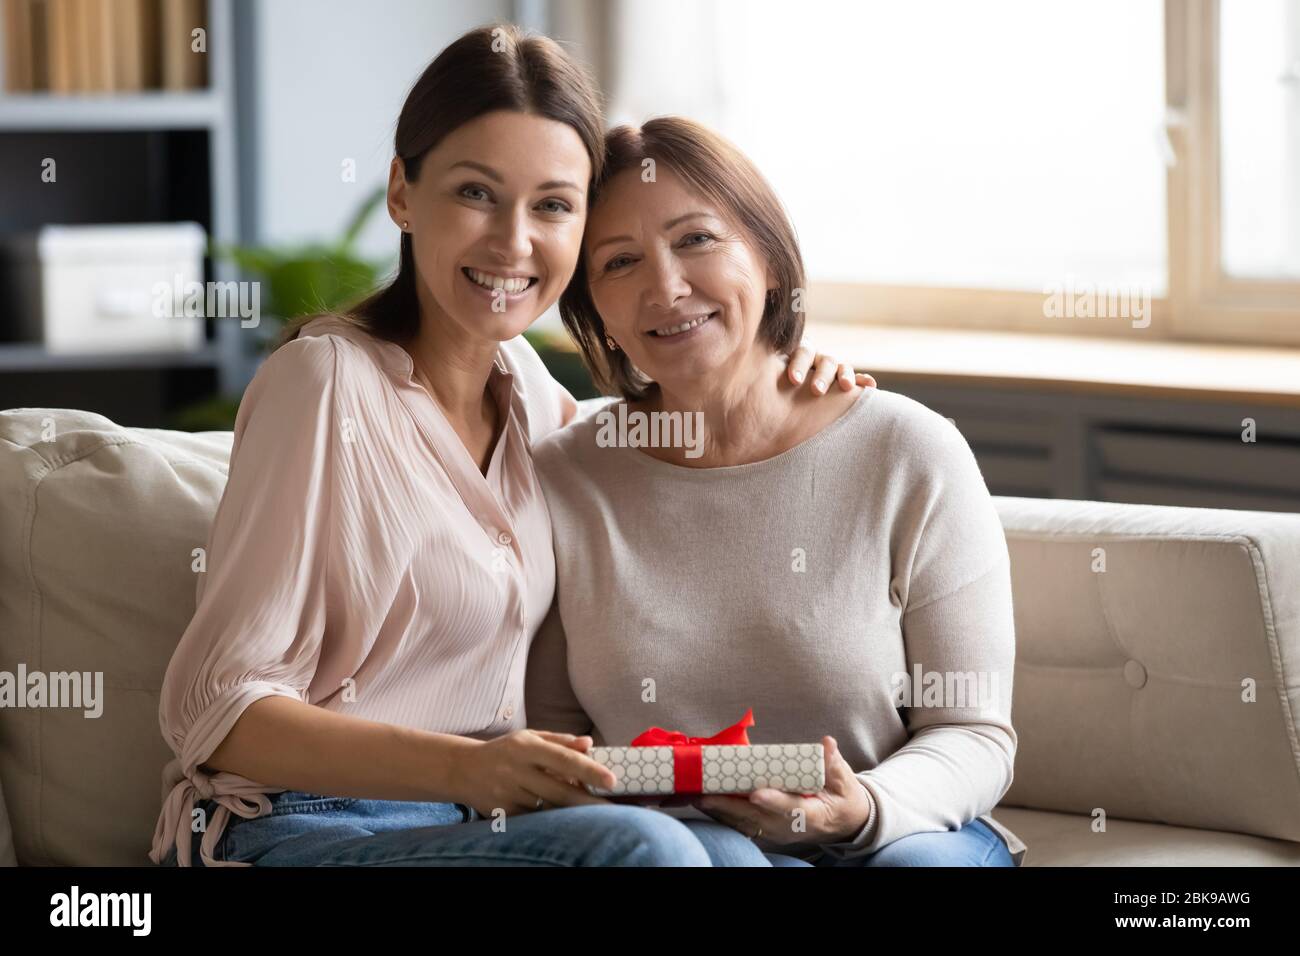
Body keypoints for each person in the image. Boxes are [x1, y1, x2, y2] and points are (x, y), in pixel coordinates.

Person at [151, 25, 870, 868]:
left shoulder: (533, 397)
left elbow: (673, 457)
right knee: (650, 852)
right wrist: (476, 767)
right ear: (401, 194)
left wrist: (781, 379)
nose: (514, 242)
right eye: (476, 194)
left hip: (477, 824)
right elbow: (212, 706)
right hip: (300, 824)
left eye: (554, 206)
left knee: (741, 857)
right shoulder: (324, 384)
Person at [525, 116, 1028, 867]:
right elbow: (556, 734)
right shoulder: (566, 477)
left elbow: (975, 731)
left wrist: (859, 810)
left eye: (697, 240)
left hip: (896, 830)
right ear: (592, 306)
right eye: (621, 261)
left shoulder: (906, 451)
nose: (665, 287)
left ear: (767, 258)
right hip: (684, 844)